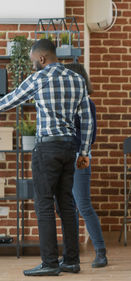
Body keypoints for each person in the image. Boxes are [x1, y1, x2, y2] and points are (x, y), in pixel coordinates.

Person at [0, 39, 93, 276]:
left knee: (43, 204)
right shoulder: (77, 79)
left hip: (46, 149)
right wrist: (84, 152)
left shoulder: (40, 78)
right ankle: (71, 261)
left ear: (42, 58)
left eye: (33, 61)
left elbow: (9, 101)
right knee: (67, 205)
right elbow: (87, 120)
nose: (33, 65)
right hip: (69, 148)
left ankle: (50, 263)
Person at [63, 63, 107, 268]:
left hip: (79, 159)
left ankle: (101, 252)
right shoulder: (65, 102)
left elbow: (91, 136)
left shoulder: (87, 103)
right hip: (63, 157)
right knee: (66, 207)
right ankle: (70, 254)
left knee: (83, 205)